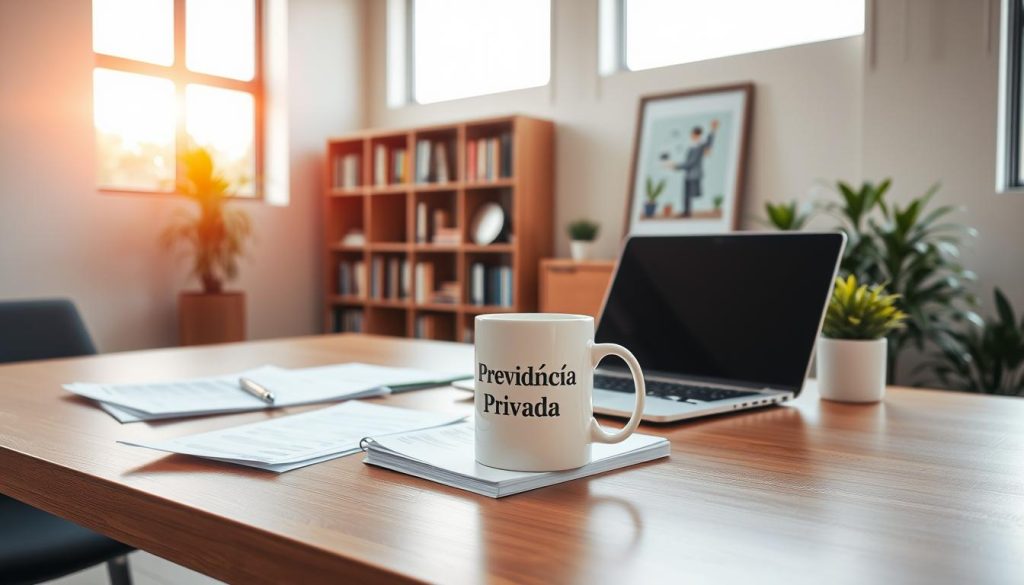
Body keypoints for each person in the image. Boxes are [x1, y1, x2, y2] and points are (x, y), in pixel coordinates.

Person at [664, 119, 718, 217]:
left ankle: (687, 212)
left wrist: (676, 166)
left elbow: (691, 163)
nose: (693, 137)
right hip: (688, 174)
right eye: (692, 135)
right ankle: (686, 212)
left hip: (694, 174)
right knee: (686, 195)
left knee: (691, 194)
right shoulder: (692, 146)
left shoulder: (700, 146)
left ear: (698, 135)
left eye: (694, 135)